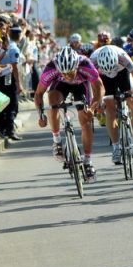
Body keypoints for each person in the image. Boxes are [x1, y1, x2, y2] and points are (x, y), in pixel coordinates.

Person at [34, 47, 104, 182]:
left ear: (76, 66)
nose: (67, 76)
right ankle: (57, 141)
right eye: (64, 73)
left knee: (85, 119)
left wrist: (93, 108)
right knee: (52, 99)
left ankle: (88, 162)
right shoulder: (51, 67)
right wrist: (40, 116)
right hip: (60, 86)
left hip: (81, 86)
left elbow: (99, 88)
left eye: (70, 73)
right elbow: (38, 94)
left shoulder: (85, 64)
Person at [90, 45, 133, 164]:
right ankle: (116, 148)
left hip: (122, 73)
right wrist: (97, 101)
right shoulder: (92, 62)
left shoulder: (122, 57)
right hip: (103, 78)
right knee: (110, 109)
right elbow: (91, 84)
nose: (110, 72)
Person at [0, 25, 24, 140]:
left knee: (4, 103)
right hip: (8, 77)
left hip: (2, 77)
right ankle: (10, 130)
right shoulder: (14, 48)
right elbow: (14, 67)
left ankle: (3, 128)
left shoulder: (4, 45)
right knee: (12, 104)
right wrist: (19, 83)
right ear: (19, 35)